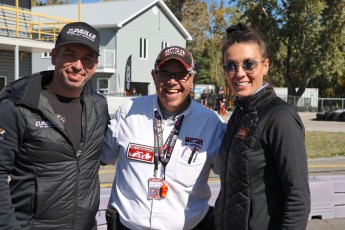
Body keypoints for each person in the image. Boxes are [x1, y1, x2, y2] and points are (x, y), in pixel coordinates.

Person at [102, 46, 226, 229]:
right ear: (154, 76)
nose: (172, 81)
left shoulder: (212, 123)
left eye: (182, 75)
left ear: (193, 79)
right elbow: (103, 156)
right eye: (165, 74)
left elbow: (233, 177)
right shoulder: (128, 111)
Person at [0, 22, 109, 229]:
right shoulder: (18, 106)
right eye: (70, 55)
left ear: (95, 65)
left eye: (87, 59)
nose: (78, 65)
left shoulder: (99, 107)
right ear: (54, 56)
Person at [214, 23, 310, 229]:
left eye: (249, 64)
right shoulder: (240, 112)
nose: (239, 73)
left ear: (265, 66)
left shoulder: (280, 117)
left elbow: (298, 197)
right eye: (231, 65)